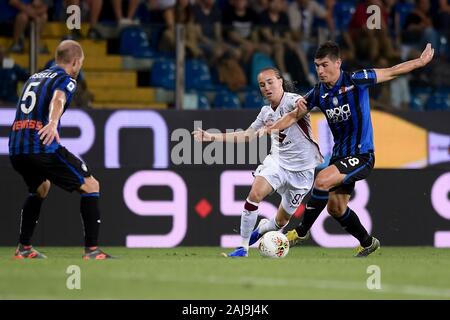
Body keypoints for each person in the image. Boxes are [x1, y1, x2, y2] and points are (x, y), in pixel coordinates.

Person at [263, 41, 434, 257]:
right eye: (317, 66)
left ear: (338, 63)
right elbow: (293, 115)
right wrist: (271, 128)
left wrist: (419, 62)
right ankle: (368, 242)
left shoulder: (356, 80)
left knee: (322, 180)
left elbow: (391, 72)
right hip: (339, 156)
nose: (320, 70)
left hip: (362, 155)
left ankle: (301, 231)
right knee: (336, 208)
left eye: (325, 65)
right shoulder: (318, 92)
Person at [192, 67, 323, 257]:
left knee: (281, 221)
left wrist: (272, 128)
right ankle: (243, 248)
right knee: (255, 194)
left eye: (270, 82)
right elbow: (247, 135)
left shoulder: (293, 101)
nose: (267, 87)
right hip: (277, 163)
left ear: (281, 81)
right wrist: (211, 137)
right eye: (262, 85)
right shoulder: (265, 112)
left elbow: (297, 111)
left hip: (303, 172)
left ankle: (261, 230)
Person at [8, 40, 112, 260]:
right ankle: (92, 251)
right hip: (40, 144)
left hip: (16, 147)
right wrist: (53, 122)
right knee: (91, 185)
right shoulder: (67, 79)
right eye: (81, 63)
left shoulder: (33, 78)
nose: (79, 67)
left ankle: (24, 248)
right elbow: (58, 98)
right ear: (75, 62)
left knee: (41, 187)